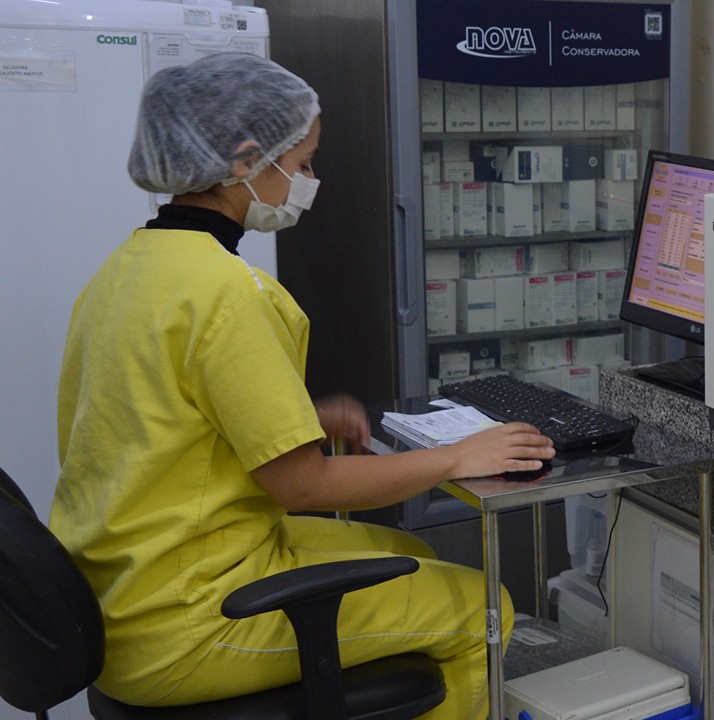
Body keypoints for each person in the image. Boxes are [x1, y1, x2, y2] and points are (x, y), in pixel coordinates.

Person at [51, 53, 553, 718]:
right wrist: (458, 458)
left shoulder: (126, 269)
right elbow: (305, 486)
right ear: (245, 161)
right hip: (187, 620)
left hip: (122, 590)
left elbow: (154, 414)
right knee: (480, 609)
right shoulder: (230, 293)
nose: (310, 180)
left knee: (406, 551)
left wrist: (296, 418)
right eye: (303, 162)